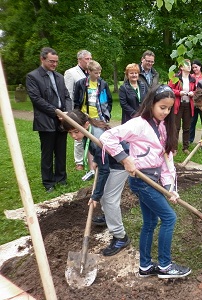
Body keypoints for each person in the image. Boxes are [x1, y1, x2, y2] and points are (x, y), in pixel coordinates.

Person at [100, 84, 191, 279]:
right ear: (151, 104)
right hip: (142, 181)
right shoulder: (138, 124)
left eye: (168, 108)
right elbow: (108, 137)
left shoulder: (164, 127)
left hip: (155, 181)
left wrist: (169, 187)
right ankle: (165, 266)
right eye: (162, 107)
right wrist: (124, 158)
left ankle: (145, 266)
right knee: (169, 218)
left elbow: (167, 162)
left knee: (150, 222)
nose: (165, 112)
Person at [61, 110, 131, 256]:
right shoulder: (90, 129)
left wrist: (95, 196)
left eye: (75, 131)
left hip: (120, 164)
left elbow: (104, 172)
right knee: (106, 196)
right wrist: (95, 160)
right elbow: (92, 148)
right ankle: (108, 217)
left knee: (109, 199)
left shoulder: (98, 138)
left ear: (85, 124)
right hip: (110, 161)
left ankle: (120, 237)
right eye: (70, 133)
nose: (73, 136)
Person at [26, 47, 72, 193]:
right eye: (51, 61)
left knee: (61, 151)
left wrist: (66, 113)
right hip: (46, 120)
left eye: (56, 62)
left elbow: (66, 96)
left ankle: (61, 178)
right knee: (47, 153)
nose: (54, 64)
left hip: (62, 119)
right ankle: (48, 182)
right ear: (42, 59)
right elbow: (36, 99)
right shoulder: (33, 77)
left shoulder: (59, 76)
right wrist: (56, 112)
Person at [74, 60, 113, 181]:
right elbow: (76, 101)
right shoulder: (81, 84)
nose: (98, 75)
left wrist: (106, 115)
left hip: (99, 118)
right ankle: (91, 168)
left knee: (99, 141)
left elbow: (109, 100)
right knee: (88, 143)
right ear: (88, 71)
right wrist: (79, 116)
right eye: (96, 73)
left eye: (99, 72)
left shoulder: (103, 84)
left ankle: (100, 166)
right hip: (86, 117)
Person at [64, 50, 92, 171]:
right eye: (87, 59)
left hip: (91, 109)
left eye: (90, 58)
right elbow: (68, 93)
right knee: (78, 135)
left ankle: (91, 158)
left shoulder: (91, 73)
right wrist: (71, 112)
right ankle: (79, 162)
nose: (89, 61)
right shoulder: (71, 73)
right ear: (79, 59)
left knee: (91, 134)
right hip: (78, 110)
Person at [168, 59, 197, 154]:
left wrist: (193, 93)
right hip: (178, 104)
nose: (189, 66)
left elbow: (197, 90)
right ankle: (174, 148)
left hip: (188, 104)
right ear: (181, 67)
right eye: (186, 65)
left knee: (187, 127)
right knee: (176, 127)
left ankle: (185, 148)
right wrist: (179, 93)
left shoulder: (192, 78)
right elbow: (169, 89)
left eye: (190, 64)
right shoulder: (176, 77)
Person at [189, 59, 202, 144]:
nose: (194, 69)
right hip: (193, 103)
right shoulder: (190, 77)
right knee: (192, 122)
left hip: (201, 102)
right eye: (193, 67)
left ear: (200, 67)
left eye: (196, 67)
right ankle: (190, 140)